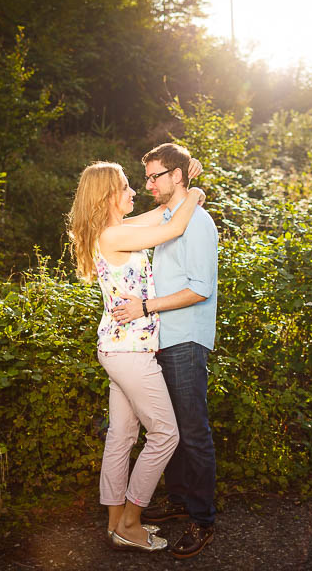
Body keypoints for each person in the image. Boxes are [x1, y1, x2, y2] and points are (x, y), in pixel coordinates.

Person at [66, 159, 204, 553]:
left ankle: (116, 526)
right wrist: (194, 193)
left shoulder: (118, 230)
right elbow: (173, 228)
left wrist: (186, 179)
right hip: (129, 352)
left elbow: (164, 213)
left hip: (120, 348)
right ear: (108, 196)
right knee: (166, 434)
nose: (133, 192)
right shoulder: (114, 235)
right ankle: (130, 520)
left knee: (122, 437)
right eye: (126, 187)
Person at [112, 143, 219, 560]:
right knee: (167, 429)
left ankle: (202, 519)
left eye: (156, 176)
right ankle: (178, 500)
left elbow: (200, 288)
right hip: (161, 339)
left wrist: (145, 307)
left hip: (186, 340)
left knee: (192, 433)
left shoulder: (198, 223)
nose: (148, 184)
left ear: (177, 176)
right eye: (147, 177)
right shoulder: (173, 219)